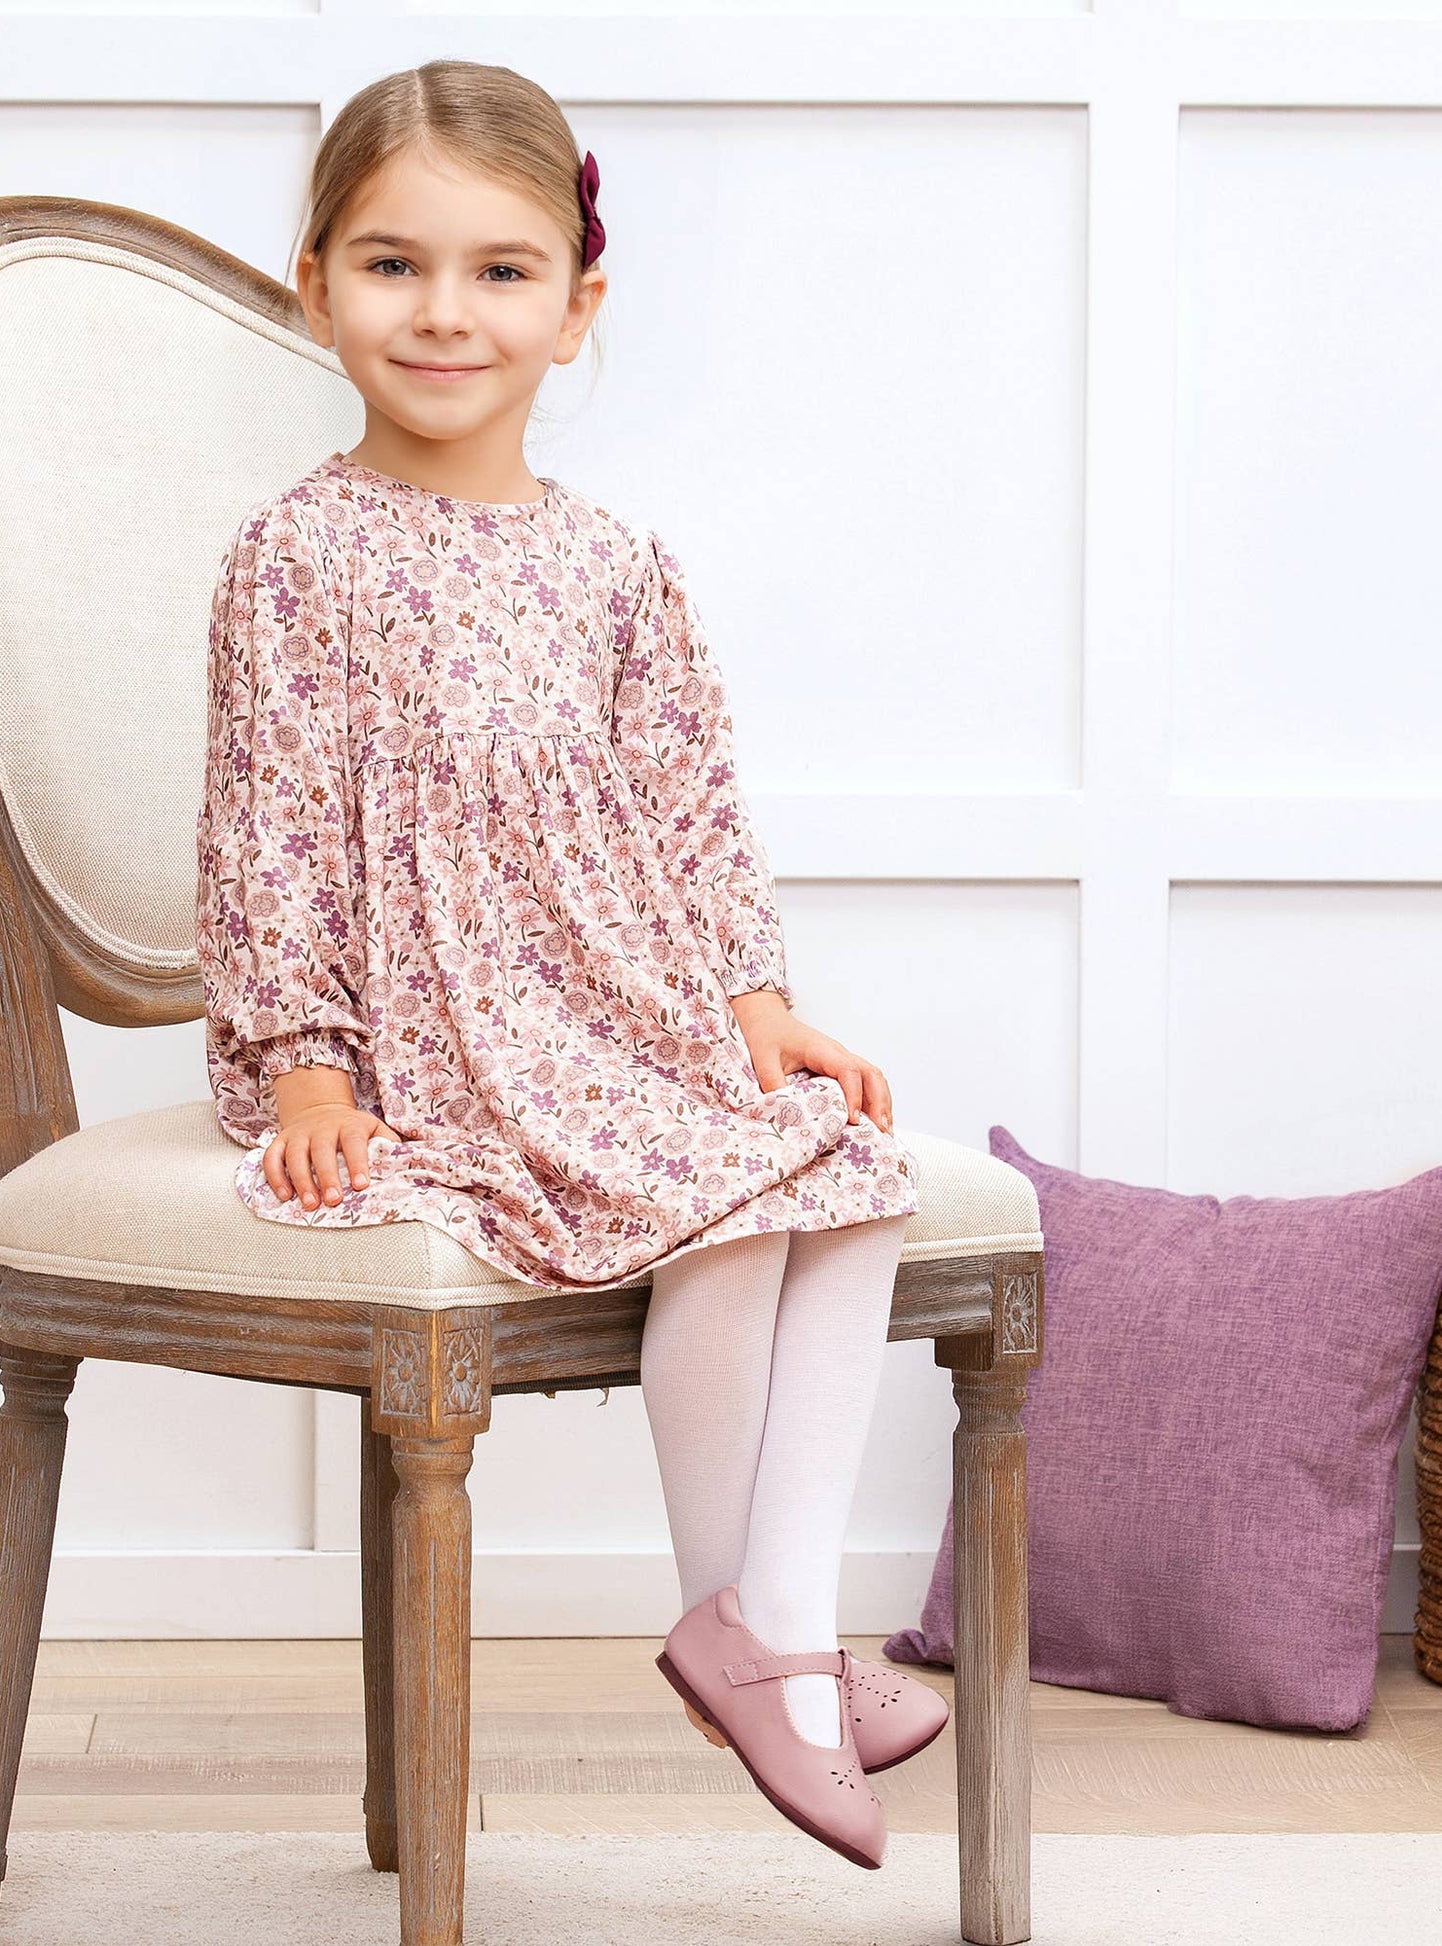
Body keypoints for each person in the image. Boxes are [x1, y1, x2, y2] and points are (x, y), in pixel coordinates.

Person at [195, 58, 945, 1871]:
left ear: (576, 306)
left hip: (626, 1011)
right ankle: (762, 1647)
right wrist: (307, 1065)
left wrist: (753, 1007)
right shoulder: (298, 557)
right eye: (392, 265)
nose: (443, 312)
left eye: (500, 271)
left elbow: (691, 810)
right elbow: (266, 827)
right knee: (734, 1209)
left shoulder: (615, 564)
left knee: (849, 1167)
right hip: (446, 1032)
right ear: (314, 283)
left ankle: (770, 1618)